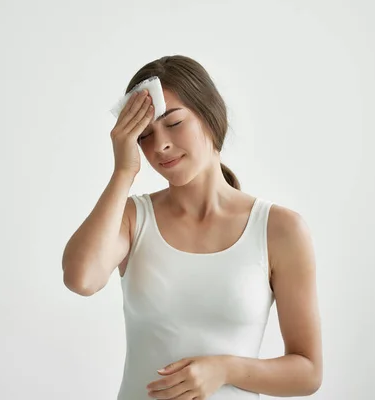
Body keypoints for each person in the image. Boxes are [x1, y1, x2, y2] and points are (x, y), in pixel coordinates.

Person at [62, 55, 322, 399]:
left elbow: (307, 372)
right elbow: (81, 279)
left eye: (173, 123)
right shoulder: (131, 218)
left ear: (211, 116)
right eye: (144, 136)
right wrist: (123, 171)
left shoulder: (280, 229)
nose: (160, 146)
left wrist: (225, 369)